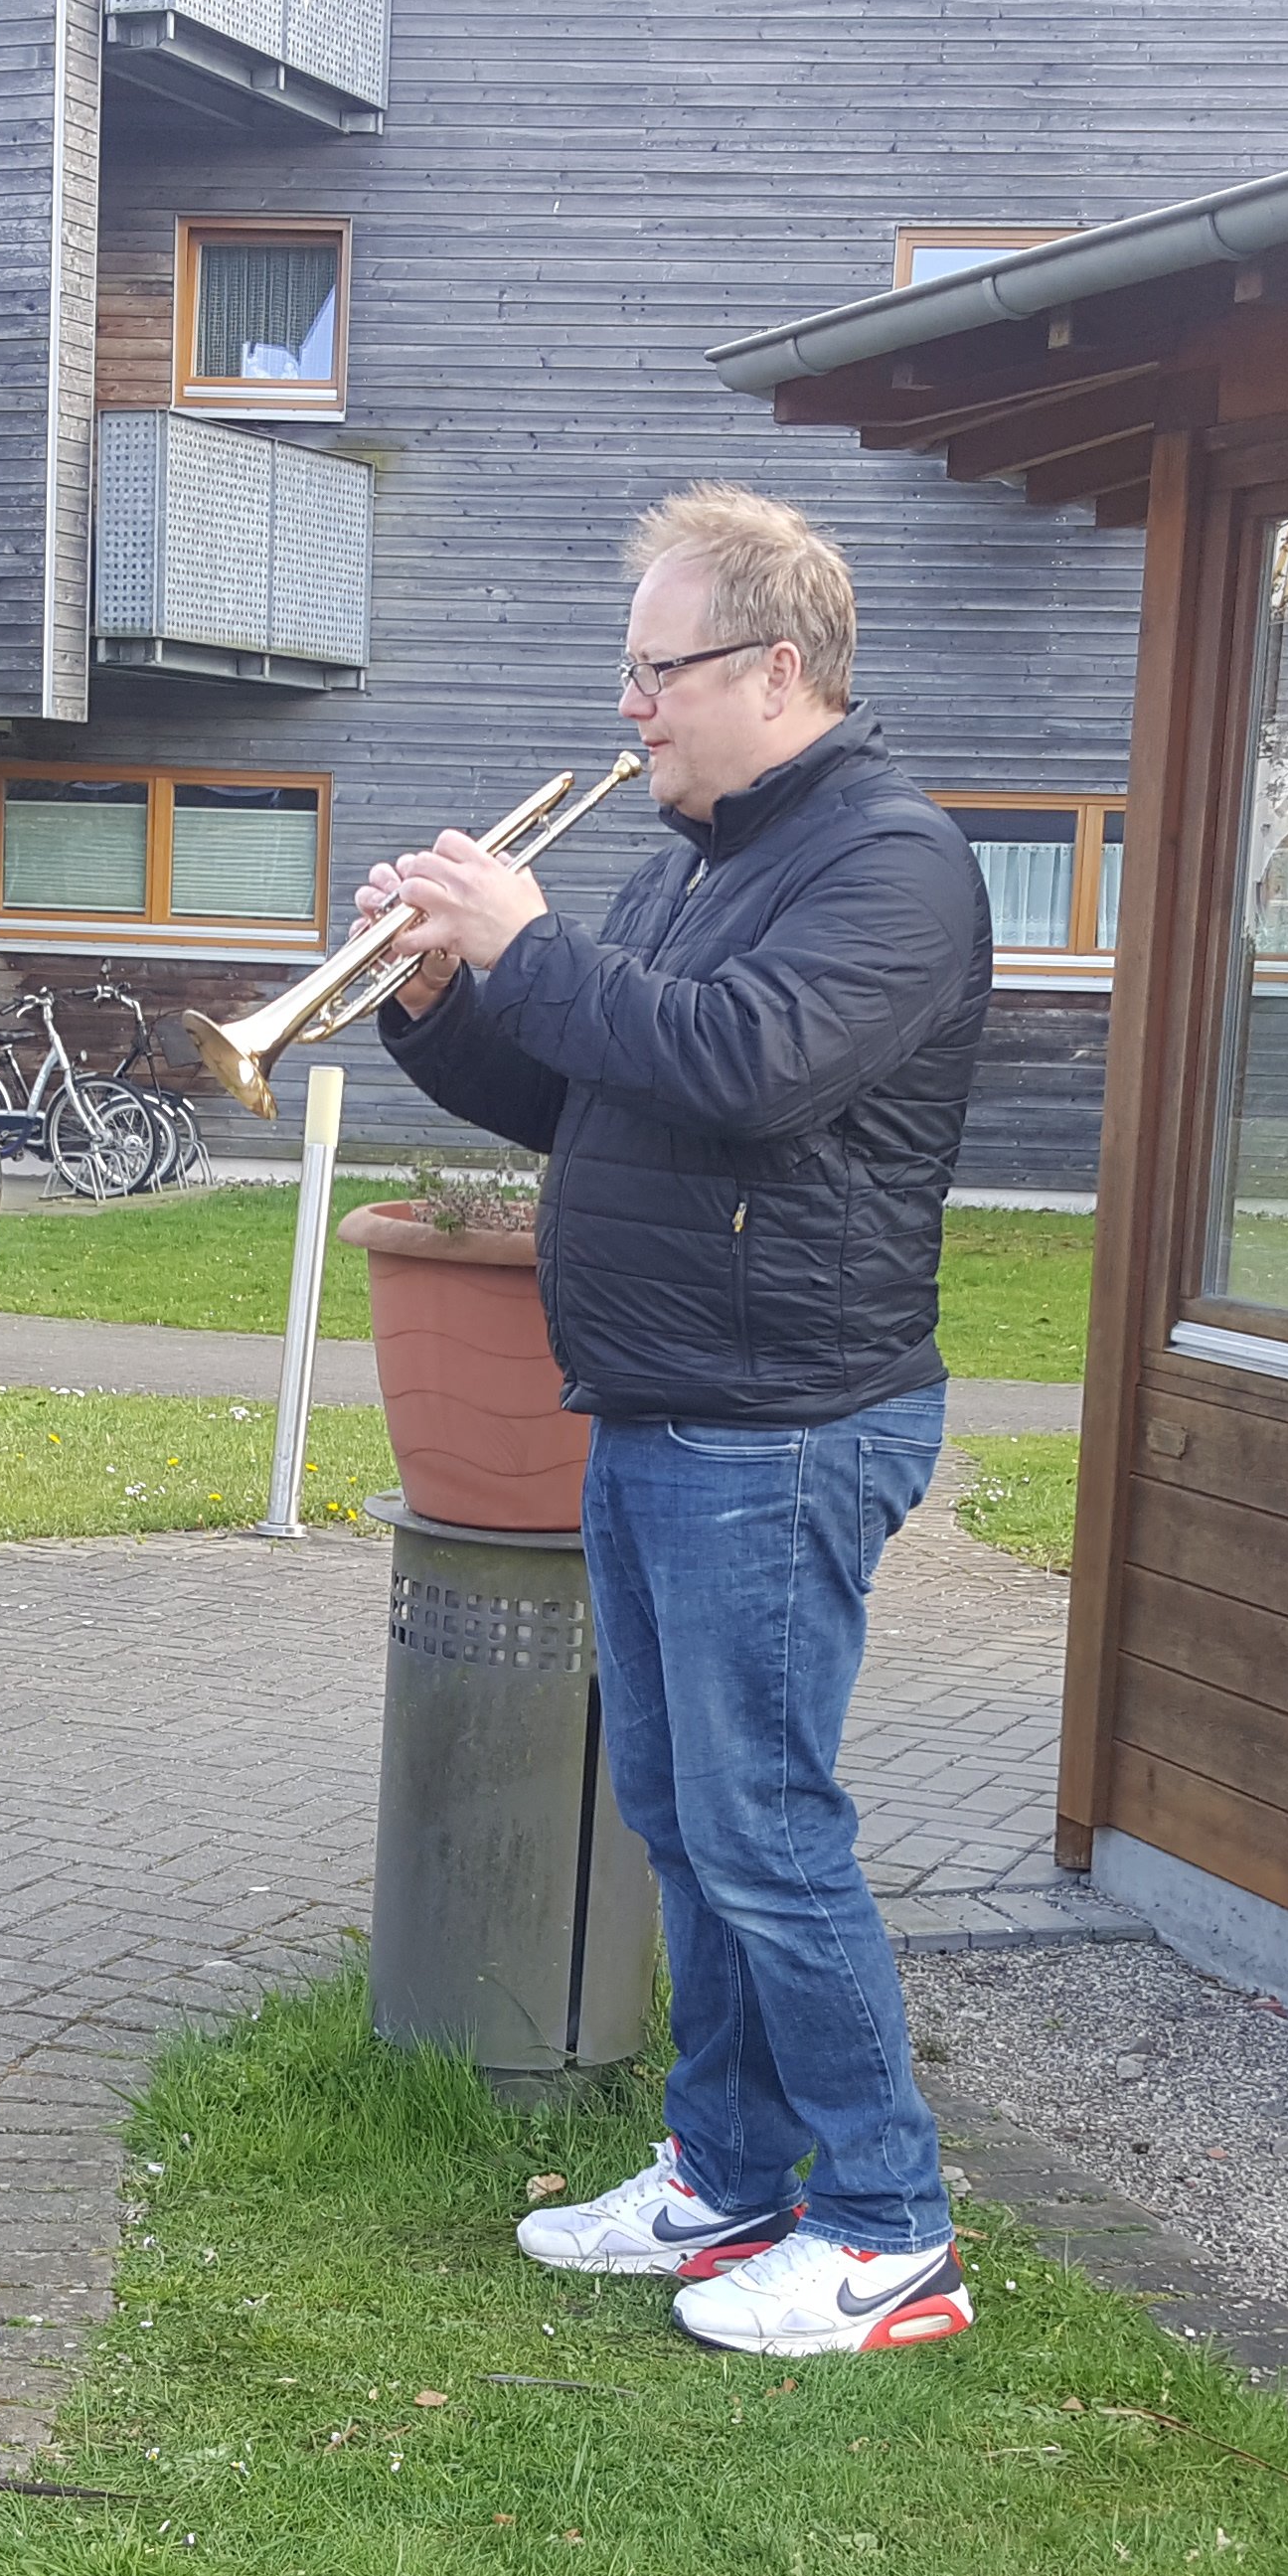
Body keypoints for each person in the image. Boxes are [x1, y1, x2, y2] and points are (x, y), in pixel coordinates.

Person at [360, 482, 990, 2357]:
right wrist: (437, 998)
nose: (627, 705)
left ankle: (888, 2228)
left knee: (766, 1827)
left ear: (771, 667)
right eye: (629, 672)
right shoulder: (699, 852)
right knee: (684, 1818)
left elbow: (746, 1067)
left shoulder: (893, 860)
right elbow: (598, 1096)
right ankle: (726, 2175)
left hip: (785, 1418)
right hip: (660, 1402)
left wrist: (532, 939)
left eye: (657, 670)